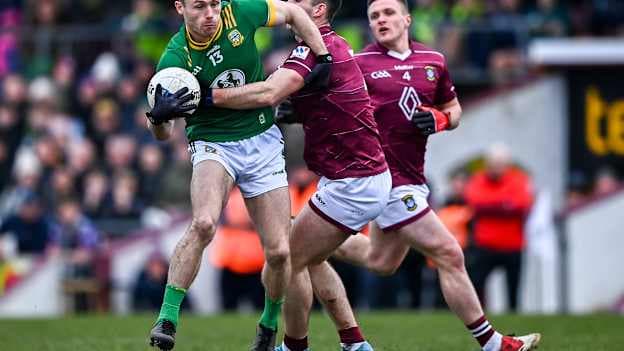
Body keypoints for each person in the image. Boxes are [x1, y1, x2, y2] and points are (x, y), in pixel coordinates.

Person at [319, 1, 540, 351]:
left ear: (407, 19)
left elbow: (453, 110)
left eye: (389, 13)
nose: (381, 20)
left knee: (382, 261)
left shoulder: (433, 61)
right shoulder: (360, 64)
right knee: (449, 252)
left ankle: (310, 240)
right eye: (374, 16)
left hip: (413, 176)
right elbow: (328, 102)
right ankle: (494, 344)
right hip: (386, 178)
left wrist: (439, 119)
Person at [144, 1, 331, 350]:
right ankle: (167, 318)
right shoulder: (174, 61)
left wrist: (323, 56)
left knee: (278, 252)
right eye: (200, 6)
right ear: (180, 7)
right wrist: (157, 119)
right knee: (203, 223)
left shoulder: (240, 11)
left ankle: (267, 326)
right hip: (214, 144)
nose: (211, 13)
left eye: (215, 4)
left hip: (261, 139)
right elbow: (164, 132)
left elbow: (292, 12)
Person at [209, 1, 389, 350]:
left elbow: (269, 92)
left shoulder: (313, 47)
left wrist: (207, 96)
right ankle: (354, 343)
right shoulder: (331, 45)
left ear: (318, 9)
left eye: (299, 1)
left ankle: (294, 346)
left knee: (284, 262)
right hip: (352, 179)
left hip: (354, 182)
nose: (288, 5)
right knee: (309, 255)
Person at [464, 143, 534, 312]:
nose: (495, 168)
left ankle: (513, 315)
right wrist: (504, 205)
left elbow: (522, 204)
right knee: (477, 283)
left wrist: (493, 206)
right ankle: (478, 317)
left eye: (500, 164)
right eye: (493, 163)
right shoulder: (478, 179)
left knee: (513, 289)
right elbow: (475, 203)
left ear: (507, 165)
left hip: (513, 245)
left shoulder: (519, 179)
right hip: (485, 244)